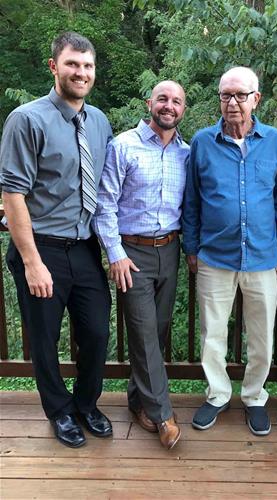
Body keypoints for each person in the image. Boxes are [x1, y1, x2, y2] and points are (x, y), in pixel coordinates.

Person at [0, 32, 113, 448]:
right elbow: (12, 194)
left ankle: (86, 404)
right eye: (72, 64)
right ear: (54, 67)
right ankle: (60, 412)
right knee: (45, 339)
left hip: (84, 247)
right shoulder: (26, 119)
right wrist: (32, 262)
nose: (81, 73)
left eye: (87, 66)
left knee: (97, 333)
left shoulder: (100, 121)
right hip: (41, 246)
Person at [182, 66, 277, 436]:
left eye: (240, 95)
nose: (232, 102)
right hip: (214, 256)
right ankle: (217, 394)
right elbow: (192, 200)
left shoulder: (273, 140)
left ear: (255, 99)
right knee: (212, 333)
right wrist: (191, 247)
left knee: (261, 336)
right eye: (226, 95)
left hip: (262, 256)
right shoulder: (202, 142)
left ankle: (255, 397)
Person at [92, 81, 189, 450]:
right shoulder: (123, 145)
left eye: (176, 101)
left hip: (171, 249)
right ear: (150, 103)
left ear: (183, 109)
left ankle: (137, 401)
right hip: (132, 254)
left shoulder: (186, 153)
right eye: (162, 99)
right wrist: (115, 254)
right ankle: (163, 415)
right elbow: (105, 204)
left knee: (157, 331)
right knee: (145, 331)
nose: (168, 106)